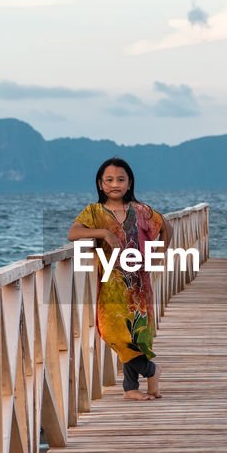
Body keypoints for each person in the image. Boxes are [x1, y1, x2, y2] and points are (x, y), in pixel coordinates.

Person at [68, 157, 172, 400]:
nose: (115, 184)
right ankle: (152, 371)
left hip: (138, 284)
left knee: (136, 335)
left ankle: (131, 389)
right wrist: (103, 232)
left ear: (130, 182)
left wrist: (158, 255)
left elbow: (167, 227)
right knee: (114, 333)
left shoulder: (142, 210)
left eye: (121, 179)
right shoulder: (93, 212)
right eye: (109, 180)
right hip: (111, 285)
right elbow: (73, 233)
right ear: (100, 184)